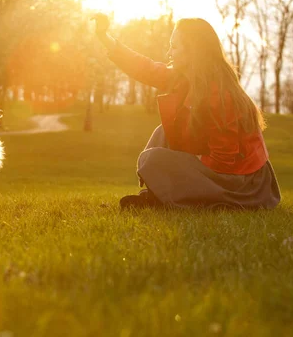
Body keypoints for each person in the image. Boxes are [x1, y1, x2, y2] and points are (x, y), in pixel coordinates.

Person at [92, 14, 281, 210]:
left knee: (153, 159)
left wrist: (184, 162)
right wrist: (104, 37)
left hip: (241, 183)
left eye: (175, 47)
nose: (169, 52)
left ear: (193, 52)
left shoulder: (219, 93)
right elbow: (146, 68)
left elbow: (224, 161)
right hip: (225, 172)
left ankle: (172, 197)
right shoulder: (185, 78)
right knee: (163, 133)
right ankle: (160, 196)